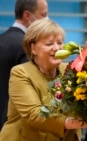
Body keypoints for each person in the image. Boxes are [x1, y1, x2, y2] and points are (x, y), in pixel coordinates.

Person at [0, 19, 87, 141]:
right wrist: (79, 122)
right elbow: (34, 114)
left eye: (60, 43)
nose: (56, 48)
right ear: (33, 48)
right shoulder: (21, 73)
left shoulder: (71, 69)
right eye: (49, 44)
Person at [0, 0, 48, 130]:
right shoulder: (27, 46)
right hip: (16, 125)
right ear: (27, 16)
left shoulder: (3, 39)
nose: (47, 20)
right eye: (43, 15)